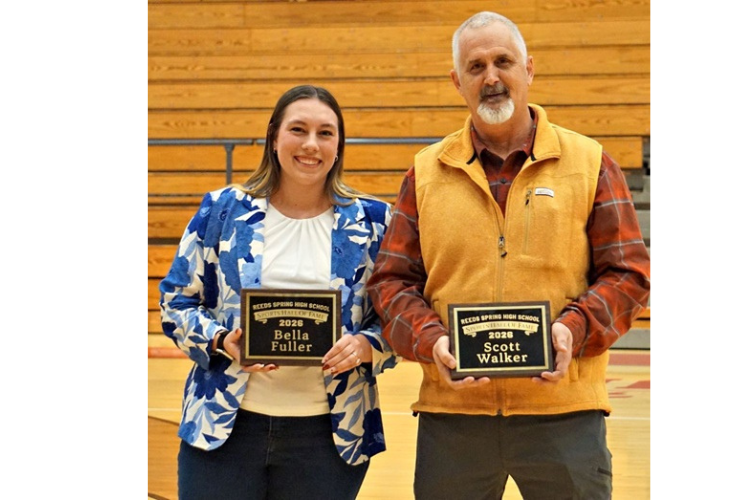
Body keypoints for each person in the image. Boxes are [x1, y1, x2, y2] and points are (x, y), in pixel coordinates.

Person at [366, 11, 650, 500]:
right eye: (476, 67)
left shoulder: (590, 162)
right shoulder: (425, 172)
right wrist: (433, 342)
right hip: (454, 417)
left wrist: (571, 329)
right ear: (458, 82)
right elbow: (391, 283)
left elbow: (628, 274)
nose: (491, 77)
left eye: (504, 61)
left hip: (564, 413)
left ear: (529, 69)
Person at [159, 84, 397, 500]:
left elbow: (400, 315)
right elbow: (175, 302)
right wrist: (220, 339)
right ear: (274, 137)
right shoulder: (222, 209)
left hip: (329, 436)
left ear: (339, 145)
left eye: (326, 133)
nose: (311, 144)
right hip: (224, 426)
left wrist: (367, 344)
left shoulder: (374, 221)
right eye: (298, 129)